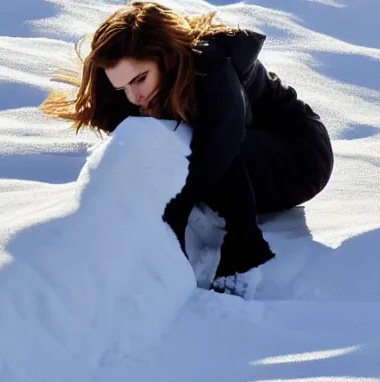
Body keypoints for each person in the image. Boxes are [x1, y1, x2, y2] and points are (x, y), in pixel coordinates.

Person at [40, 1, 334, 298]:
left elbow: (221, 149)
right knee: (180, 136)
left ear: (164, 58)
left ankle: (243, 257)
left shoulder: (210, 68)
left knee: (195, 139)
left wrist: (178, 215)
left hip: (300, 156)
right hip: (247, 148)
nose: (135, 95)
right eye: (123, 87)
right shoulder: (141, 82)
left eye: (140, 79)